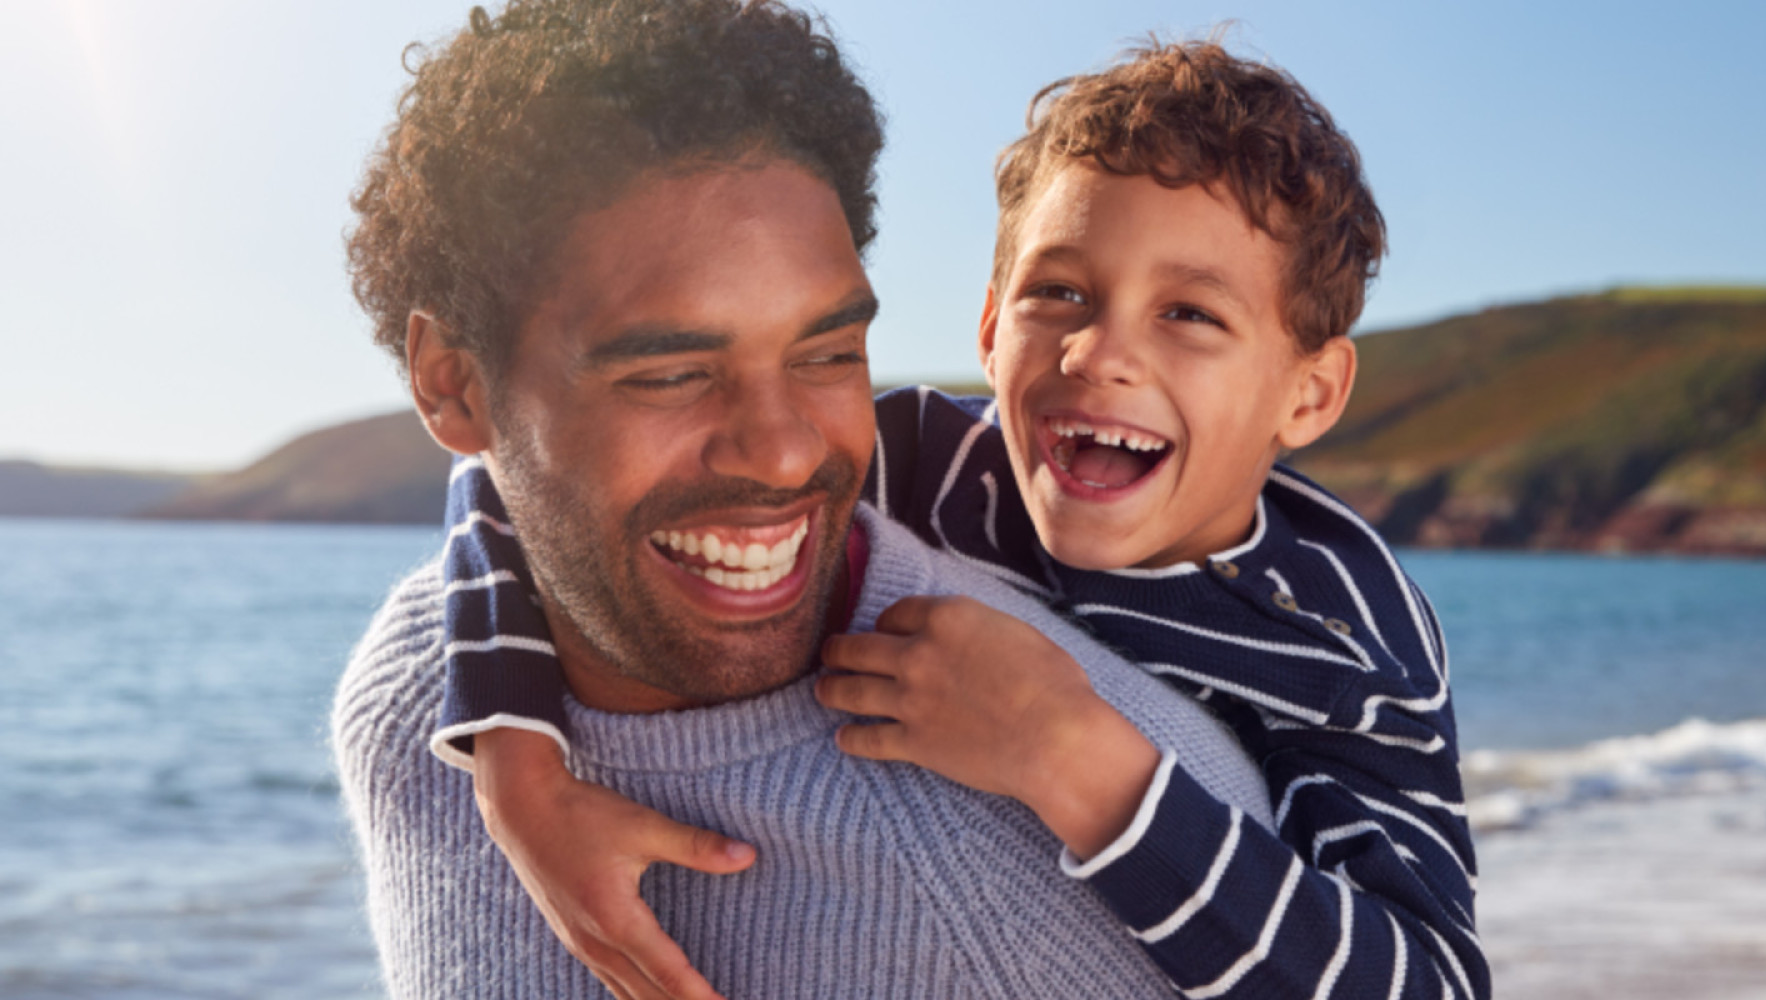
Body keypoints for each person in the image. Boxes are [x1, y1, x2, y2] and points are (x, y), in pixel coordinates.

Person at [449, 34, 1490, 1000]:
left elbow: (1428, 978)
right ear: (990, 326)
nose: (1097, 354)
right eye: (1060, 295)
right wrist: (517, 767)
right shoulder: (916, 457)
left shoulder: (1341, 638)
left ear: (1306, 395)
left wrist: (1075, 759)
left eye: (1189, 314)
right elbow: (522, 471)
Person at [330, 1, 1279, 997]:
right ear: (453, 386)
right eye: (669, 373)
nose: (784, 454)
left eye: (826, 355)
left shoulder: (1081, 821)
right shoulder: (410, 703)